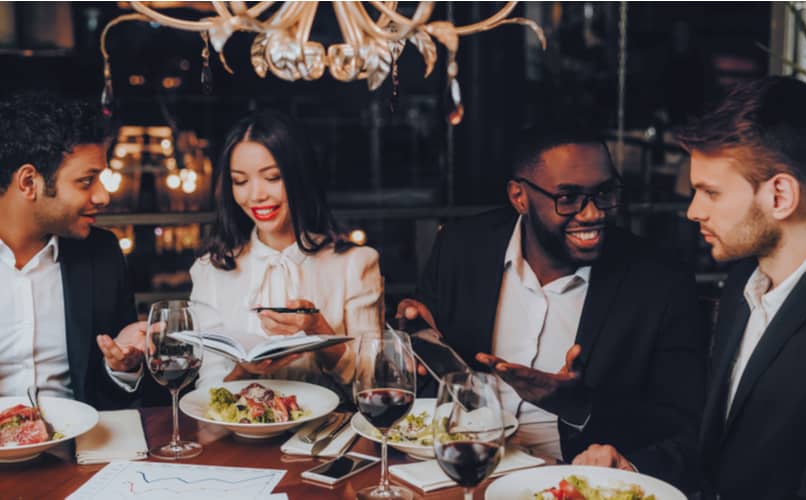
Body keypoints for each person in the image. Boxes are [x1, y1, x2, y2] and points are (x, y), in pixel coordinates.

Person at [582, 76, 806, 499]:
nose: (693, 211)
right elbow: (720, 445)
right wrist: (633, 470)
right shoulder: (745, 282)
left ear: (780, 194)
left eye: (710, 192)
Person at [397, 125, 707, 487]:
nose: (592, 214)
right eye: (569, 197)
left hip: (566, 481)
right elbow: (428, 354)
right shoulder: (461, 247)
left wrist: (580, 407)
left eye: (605, 193)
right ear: (519, 196)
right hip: (458, 469)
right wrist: (415, 337)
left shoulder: (659, 282)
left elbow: (685, 429)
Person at [187, 110, 382, 391]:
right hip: (238, 433)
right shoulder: (211, 268)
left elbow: (371, 381)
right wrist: (243, 370)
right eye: (240, 181)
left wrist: (317, 329)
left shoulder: (355, 263)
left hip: (328, 430)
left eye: (272, 177)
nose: (256, 195)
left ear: (298, 176)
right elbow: (208, 387)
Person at [0, 93, 146, 410]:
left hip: (81, 449)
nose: (103, 196)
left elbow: (113, 396)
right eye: (86, 181)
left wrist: (123, 368)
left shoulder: (102, 254)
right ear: (29, 182)